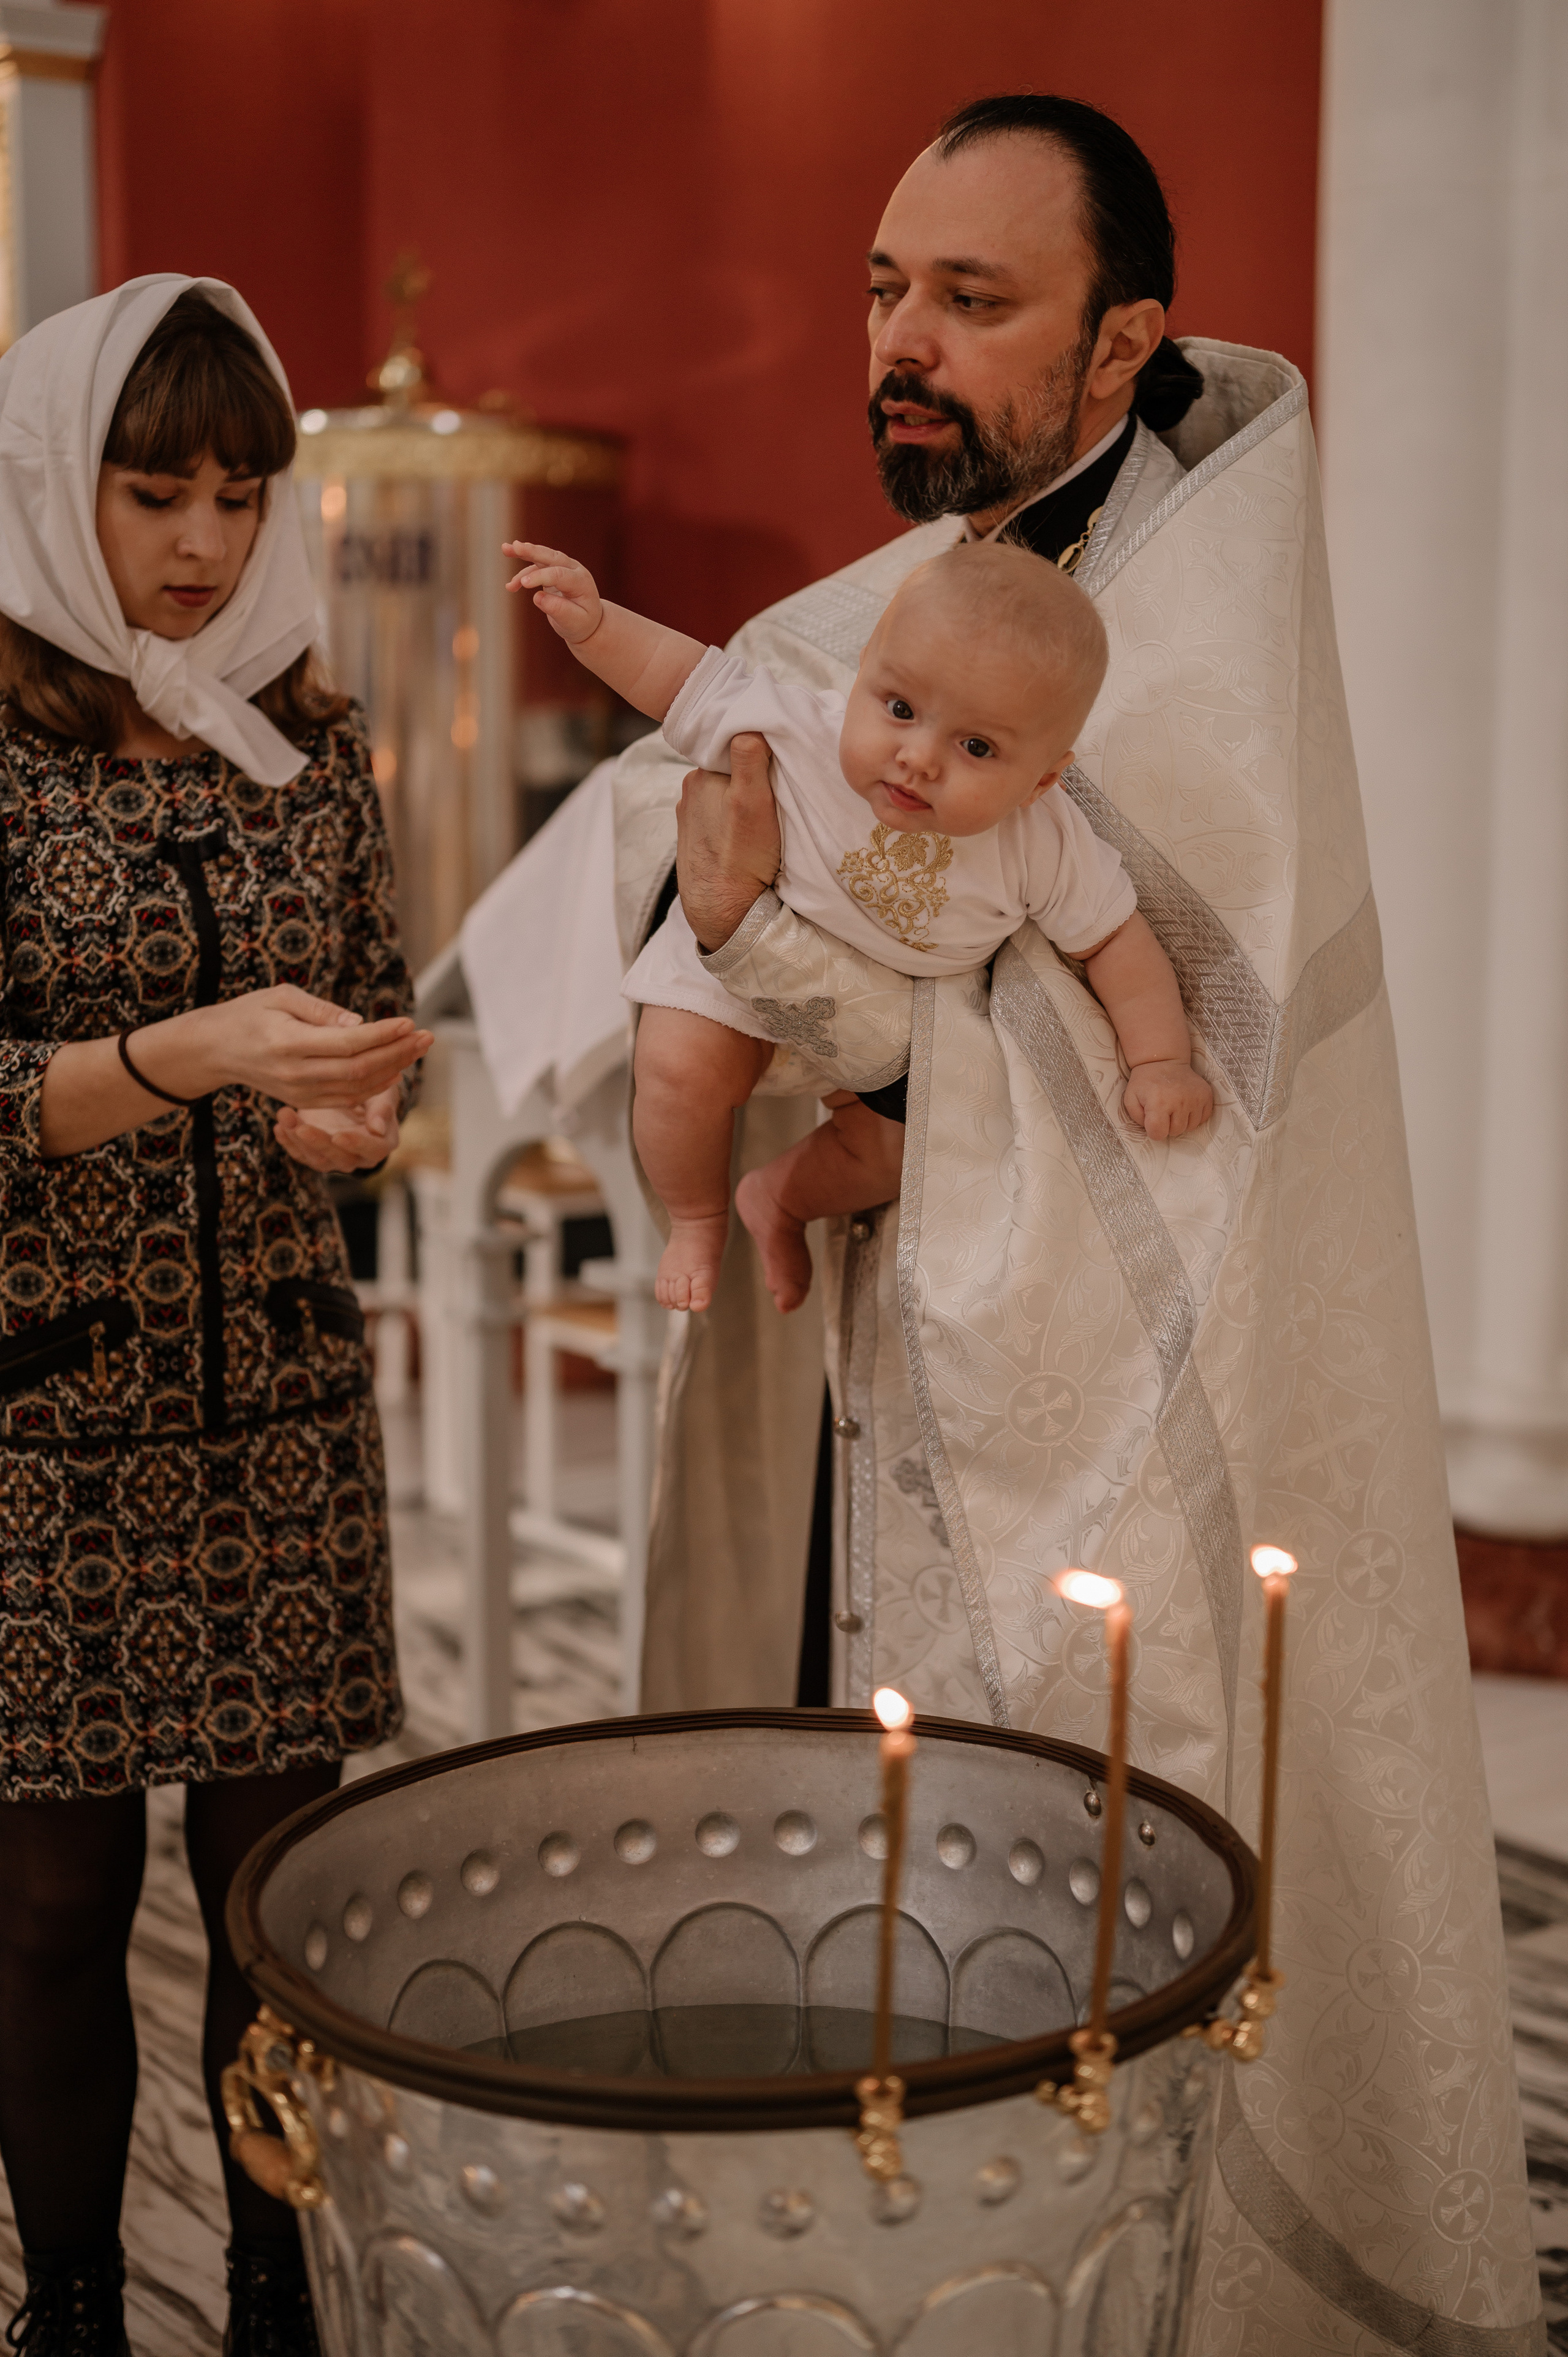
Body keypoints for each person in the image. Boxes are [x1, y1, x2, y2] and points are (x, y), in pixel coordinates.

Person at [610, 94, 1542, 2355]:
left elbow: (1109, 1038)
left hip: (1121, 1395)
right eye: (882, 289)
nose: (900, 342)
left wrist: (763, 945)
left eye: (971, 298)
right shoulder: (886, 606)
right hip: (875, 1339)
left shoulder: (1192, 632)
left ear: (1123, 340)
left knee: (1103, 1879)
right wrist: (717, 935)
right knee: (874, 1856)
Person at [0, 277, 431, 2357]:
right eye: (154, 489)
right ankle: (74, 2307)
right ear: (48, 483)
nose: (201, 541)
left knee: (284, 1909)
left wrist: (357, 1112)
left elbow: (372, 1009)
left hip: (276, 1404)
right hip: (38, 1429)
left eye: (241, 496)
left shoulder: (310, 744)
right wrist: (181, 1056)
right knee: (50, 1909)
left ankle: (280, 2299)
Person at [506, 533, 1210, 1312]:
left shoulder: (1043, 843)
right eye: (900, 709)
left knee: (901, 1156)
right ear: (865, 668)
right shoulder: (796, 729)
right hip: (733, 977)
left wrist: (1160, 1060)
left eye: (976, 746)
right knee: (675, 1073)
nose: (918, 758)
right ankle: (697, 1218)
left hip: (882, 1037)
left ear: (1042, 779)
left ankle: (781, 1198)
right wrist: (597, 625)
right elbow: (678, 679)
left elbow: (1115, 941)